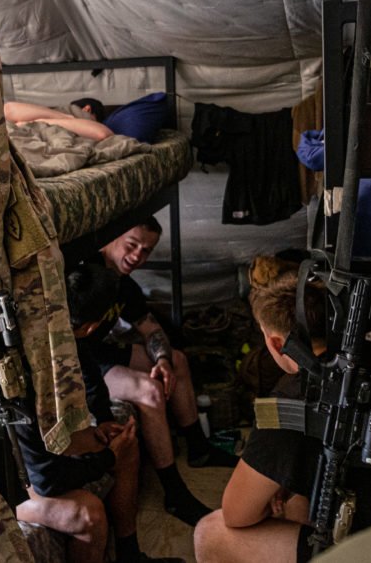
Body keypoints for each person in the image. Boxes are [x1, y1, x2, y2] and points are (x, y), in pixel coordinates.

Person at [194, 255, 371, 563]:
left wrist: (278, 485)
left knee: (211, 533)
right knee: (297, 502)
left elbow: (235, 513)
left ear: (275, 343)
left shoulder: (293, 398)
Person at [0, 262, 182, 563]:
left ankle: (129, 555)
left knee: (125, 441)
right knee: (87, 513)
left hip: (17, 449)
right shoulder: (18, 377)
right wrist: (106, 458)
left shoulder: (56, 329)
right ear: (93, 327)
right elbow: (44, 479)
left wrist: (106, 421)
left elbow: (90, 377)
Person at [76, 218, 238, 527]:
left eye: (146, 250)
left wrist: (162, 360)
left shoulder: (124, 284)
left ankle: (199, 448)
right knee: (148, 391)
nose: (138, 256)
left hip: (104, 350)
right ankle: (175, 493)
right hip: (85, 362)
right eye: (132, 245)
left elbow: (150, 329)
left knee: (176, 358)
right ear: (113, 236)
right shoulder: (87, 273)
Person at [4, 99, 114, 141]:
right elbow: (8, 110)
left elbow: (102, 134)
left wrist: (36, 122)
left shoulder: (39, 116)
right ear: (87, 109)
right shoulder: (68, 113)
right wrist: (66, 117)